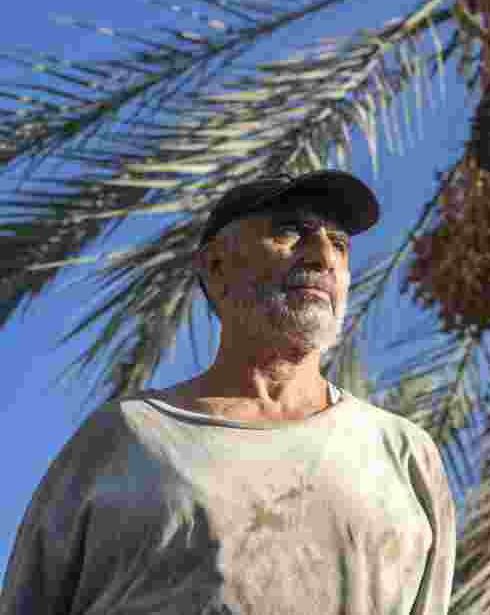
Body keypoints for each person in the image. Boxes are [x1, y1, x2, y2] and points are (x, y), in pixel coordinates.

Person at [0, 170, 457, 614]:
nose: (323, 257)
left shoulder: (403, 455)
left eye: (339, 244)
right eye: (290, 231)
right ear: (216, 265)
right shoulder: (127, 436)